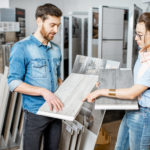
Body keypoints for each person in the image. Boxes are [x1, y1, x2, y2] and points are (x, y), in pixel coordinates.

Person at [83, 12, 150, 150]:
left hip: (144, 115)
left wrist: (102, 91)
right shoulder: (143, 53)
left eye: (140, 34)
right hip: (133, 109)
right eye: (136, 33)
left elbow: (132, 92)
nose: (136, 38)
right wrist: (106, 82)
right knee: (120, 147)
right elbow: (135, 83)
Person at [8, 3, 64, 150]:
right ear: (39, 21)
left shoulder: (56, 50)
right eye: (52, 25)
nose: (56, 30)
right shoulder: (21, 48)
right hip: (35, 113)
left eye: (58, 25)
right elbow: (13, 83)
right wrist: (43, 91)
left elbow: (57, 78)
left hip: (57, 111)